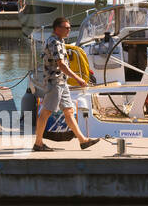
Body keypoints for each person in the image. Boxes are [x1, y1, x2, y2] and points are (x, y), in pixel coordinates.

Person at [32, 17, 104, 152]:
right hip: (55, 82)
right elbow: (61, 65)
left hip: (61, 82)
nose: (69, 30)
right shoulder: (55, 42)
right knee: (46, 112)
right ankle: (38, 143)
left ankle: (83, 141)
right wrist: (78, 79)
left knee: (69, 111)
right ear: (57, 29)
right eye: (66, 28)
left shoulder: (59, 41)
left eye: (69, 27)